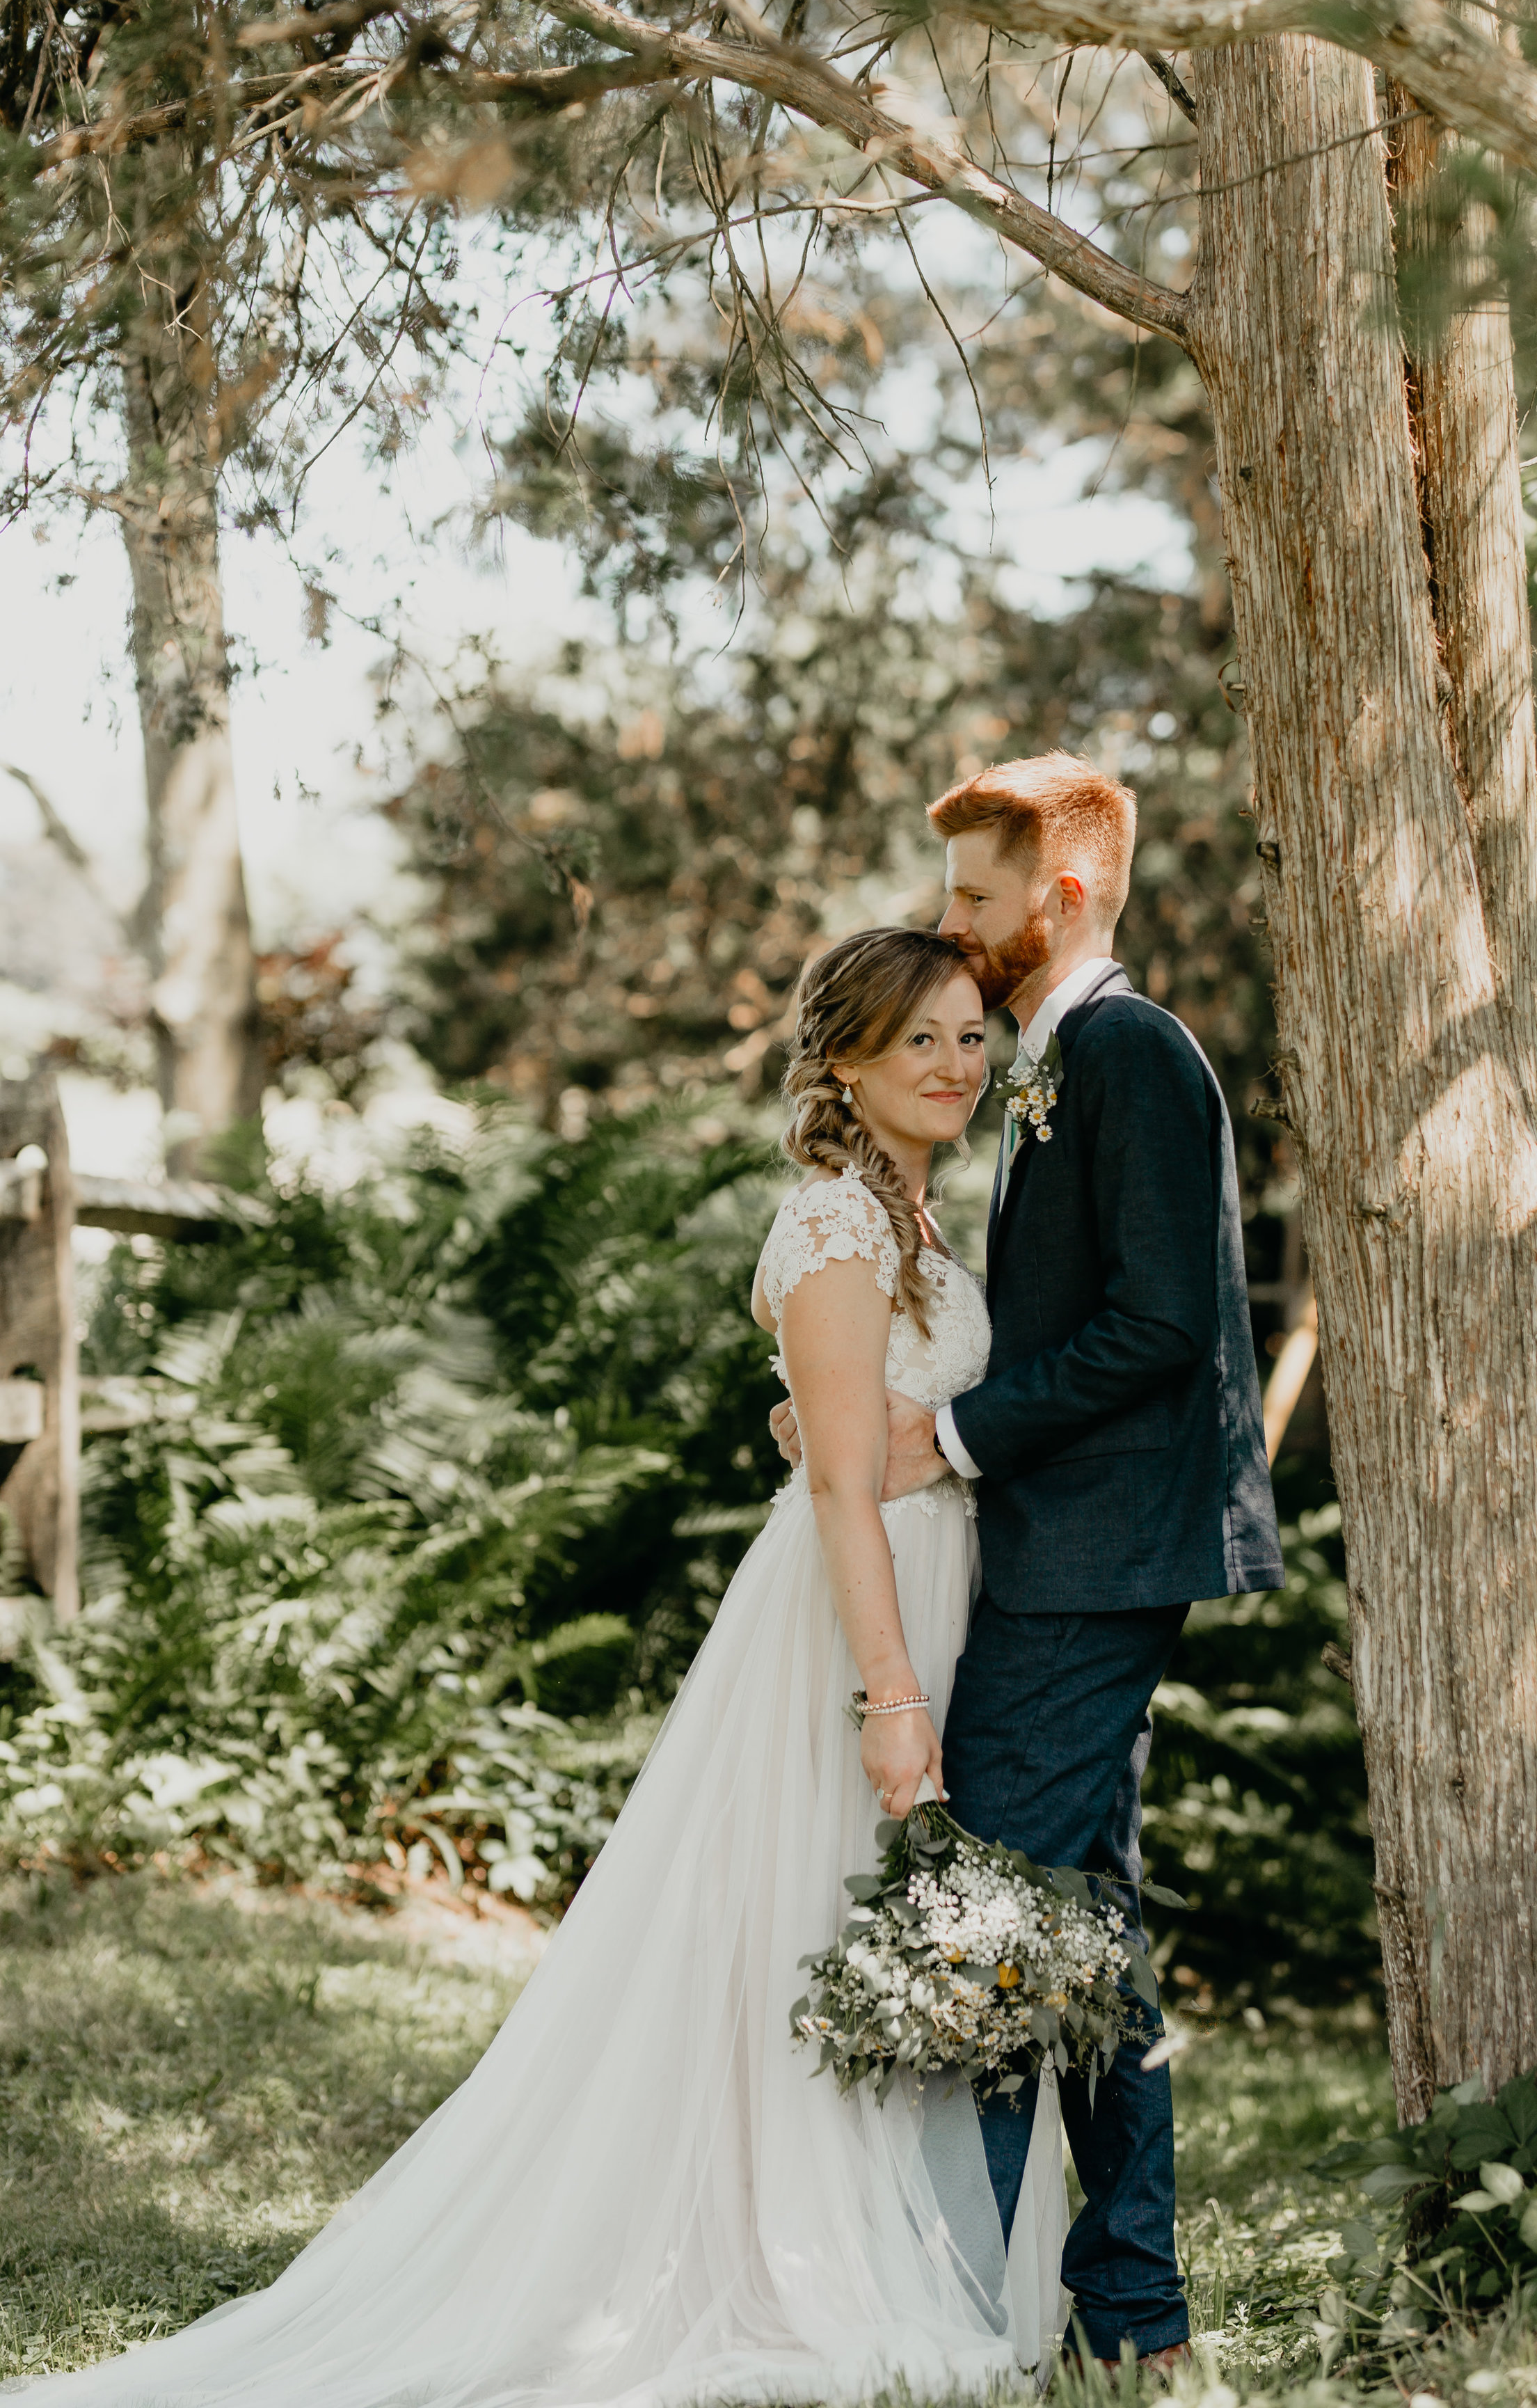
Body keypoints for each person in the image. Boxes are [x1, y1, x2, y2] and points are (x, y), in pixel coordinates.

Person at [6, 928, 1068, 2408]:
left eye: (970, 1037)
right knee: (814, 1913)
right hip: (857, 1610)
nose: (956, 1065)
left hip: (940, 1583)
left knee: (857, 1917)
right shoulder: (835, 1220)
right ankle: (781, 2250)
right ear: (843, 1062)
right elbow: (837, 1486)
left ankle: (873, 2230)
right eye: (921, 1043)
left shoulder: (925, 1221)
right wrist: (891, 1695)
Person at [775, 752, 1284, 2373]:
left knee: (983, 1914)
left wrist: (959, 1438)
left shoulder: (1128, 1054)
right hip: (1061, 1551)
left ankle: (943, 2302)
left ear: (1058, 894)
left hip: (1086, 1554)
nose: (952, 925)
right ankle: (1130, 2312)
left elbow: (1158, 1325)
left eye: (975, 899)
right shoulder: (1054, 1062)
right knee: (1082, 1926)